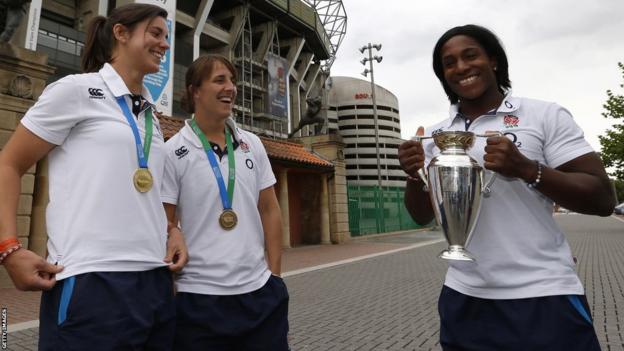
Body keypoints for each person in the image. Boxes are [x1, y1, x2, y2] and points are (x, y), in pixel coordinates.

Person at [398, 24, 616, 350]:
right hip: (464, 296)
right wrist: (414, 175)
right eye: (449, 63)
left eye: (470, 56)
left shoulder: (543, 115)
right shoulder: (437, 135)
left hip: (543, 293)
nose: (461, 67)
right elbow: (421, 217)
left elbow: (602, 198)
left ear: (494, 61)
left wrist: (527, 169)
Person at [0, 4, 187, 350]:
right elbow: (8, 165)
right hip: (91, 282)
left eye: (167, 37)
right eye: (156, 33)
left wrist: (171, 229)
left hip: (155, 284)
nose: (165, 44)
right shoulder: (75, 90)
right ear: (121, 33)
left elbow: (142, 191)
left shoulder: (150, 116)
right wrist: (8, 248)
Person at [161, 54, 289, 350]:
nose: (230, 87)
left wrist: (275, 278)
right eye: (220, 80)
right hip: (198, 299)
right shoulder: (172, 151)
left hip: (259, 294)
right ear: (195, 91)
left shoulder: (251, 144)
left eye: (232, 80)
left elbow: (270, 210)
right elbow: (163, 225)